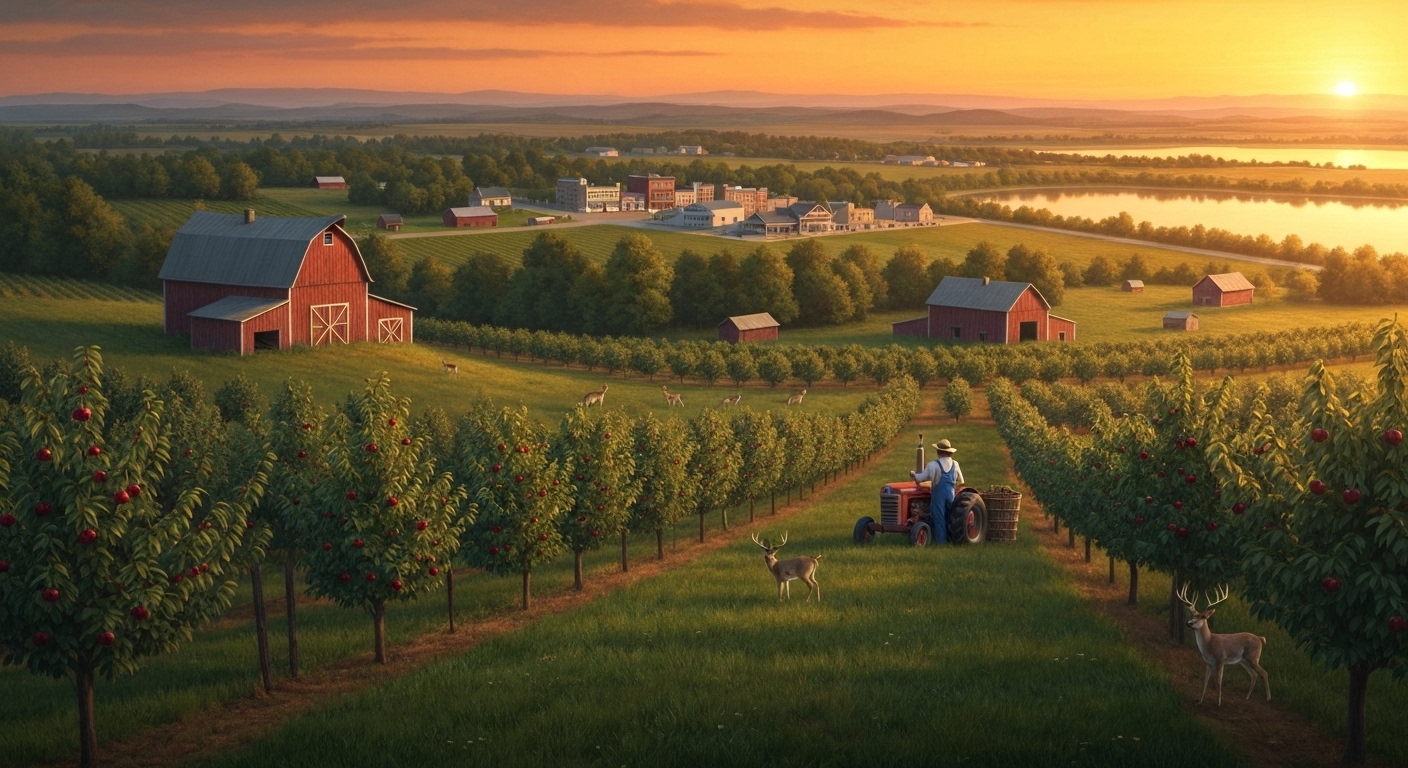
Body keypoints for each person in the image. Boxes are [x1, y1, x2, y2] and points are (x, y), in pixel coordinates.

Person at [911, 439, 963, 543]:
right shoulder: (955, 464)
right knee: (950, 515)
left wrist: (913, 475)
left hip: (938, 494)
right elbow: (961, 480)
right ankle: (952, 539)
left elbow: (921, 478)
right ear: (950, 452)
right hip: (950, 493)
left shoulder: (933, 465)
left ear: (938, 452)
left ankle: (941, 542)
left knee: (938, 516)